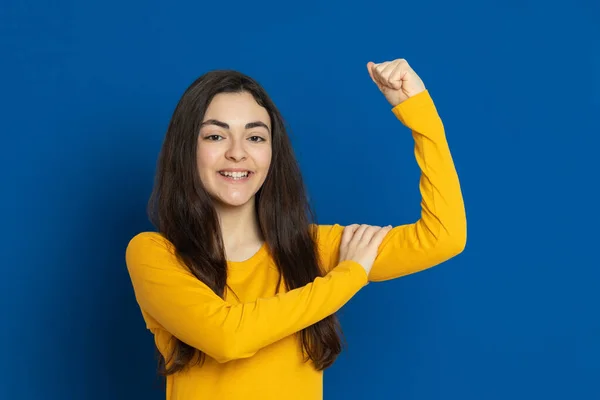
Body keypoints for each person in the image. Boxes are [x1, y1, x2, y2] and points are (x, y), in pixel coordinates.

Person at [125, 58, 467, 400]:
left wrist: (420, 113)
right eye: (216, 135)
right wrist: (349, 276)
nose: (237, 153)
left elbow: (443, 237)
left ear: (273, 153)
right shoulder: (154, 254)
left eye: (255, 137)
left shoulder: (314, 247)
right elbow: (228, 337)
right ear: (187, 148)